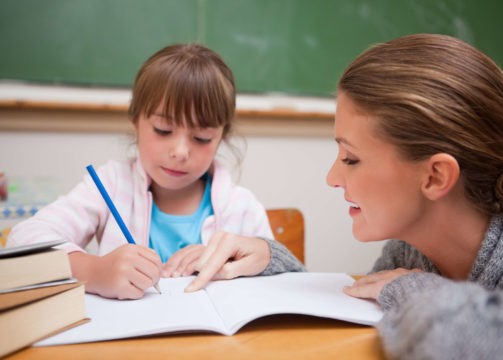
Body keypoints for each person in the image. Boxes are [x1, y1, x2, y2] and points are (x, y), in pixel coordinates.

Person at [185, 34, 503, 359]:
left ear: (434, 176)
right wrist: (269, 259)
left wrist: (409, 287)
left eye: (351, 159)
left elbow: (478, 342)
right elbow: (352, 305)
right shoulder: (410, 251)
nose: (332, 178)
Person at [7, 43, 303, 300]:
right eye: (163, 130)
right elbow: (23, 240)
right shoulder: (109, 185)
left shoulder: (241, 207)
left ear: (222, 137)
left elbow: (291, 284)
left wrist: (263, 255)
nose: (180, 151)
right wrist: (94, 271)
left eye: (201, 137)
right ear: (135, 120)